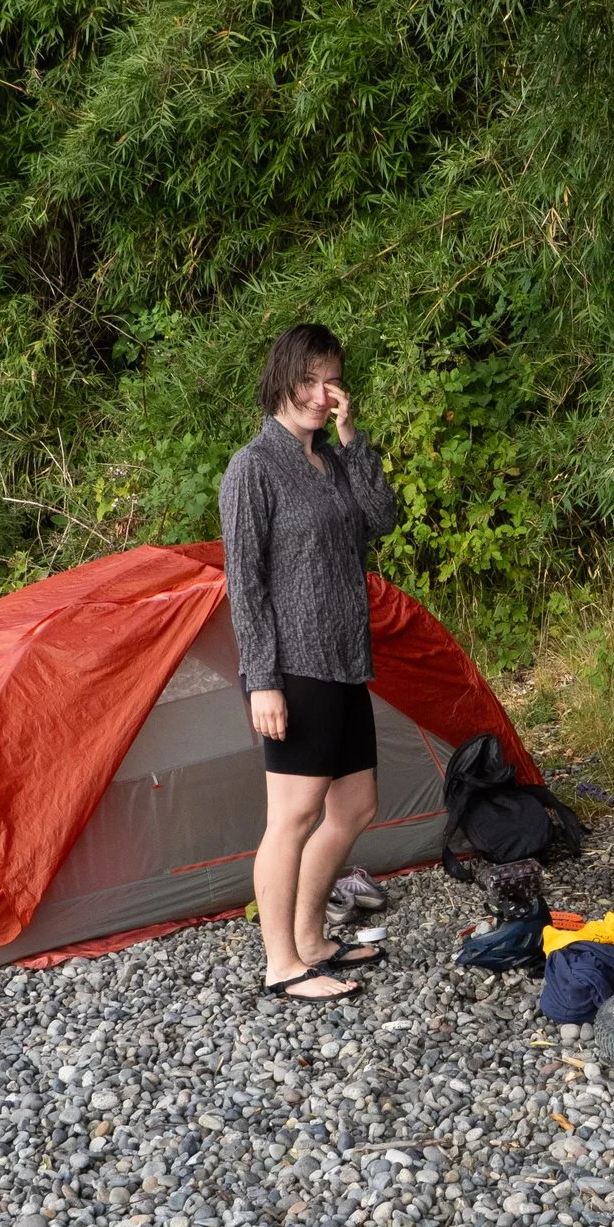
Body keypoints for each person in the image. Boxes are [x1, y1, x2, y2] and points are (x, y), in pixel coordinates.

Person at [219, 323, 400, 1001]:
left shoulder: (331, 458)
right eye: (311, 380)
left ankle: (312, 940)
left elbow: (380, 518)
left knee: (355, 806)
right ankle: (281, 965)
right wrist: (261, 679)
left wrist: (353, 442)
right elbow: (245, 579)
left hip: (346, 660)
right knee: (292, 817)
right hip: (291, 666)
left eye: (332, 380)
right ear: (283, 380)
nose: (325, 394)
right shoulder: (253, 467)